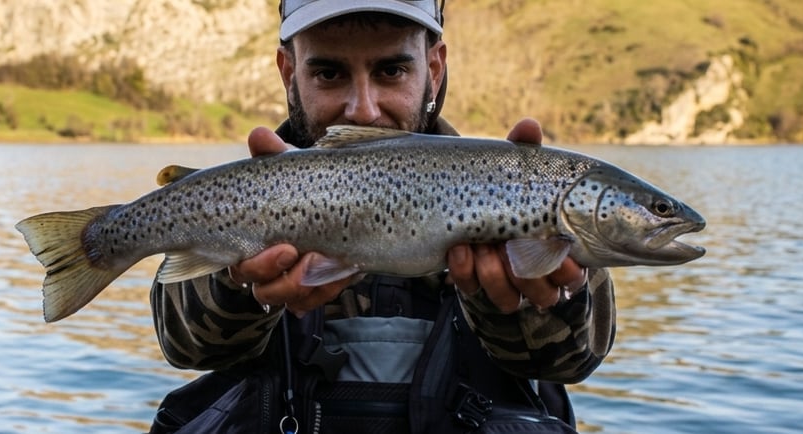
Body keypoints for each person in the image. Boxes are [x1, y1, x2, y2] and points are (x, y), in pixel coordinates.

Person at [149, 1, 616, 433]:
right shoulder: (238, 196)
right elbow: (184, 345)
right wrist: (241, 284)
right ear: (288, 72)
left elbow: (572, 361)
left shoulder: (521, 192)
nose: (363, 108)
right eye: (329, 73)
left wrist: (517, 297)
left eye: (391, 70)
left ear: (434, 69)